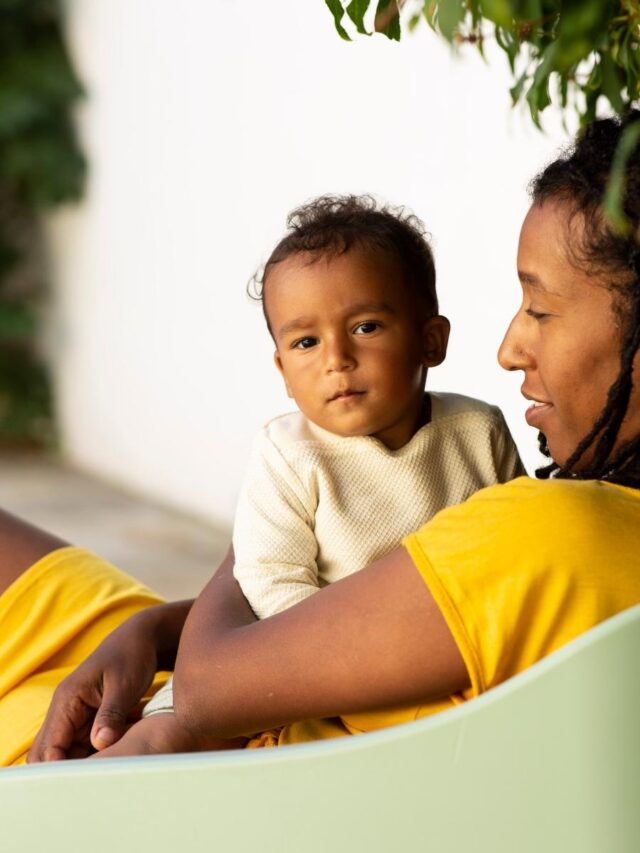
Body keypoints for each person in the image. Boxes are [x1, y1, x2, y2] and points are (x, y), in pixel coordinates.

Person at [2, 112, 640, 766]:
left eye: (540, 309)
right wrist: (153, 628)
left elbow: (210, 689)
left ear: (430, 339)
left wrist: (221, 582)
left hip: (199, 730)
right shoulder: (580, 530)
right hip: (194, 660)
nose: (509, 349)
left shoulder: (554, 530)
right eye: (305, 341)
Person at [137, 194, 523, 739]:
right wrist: (338, 668)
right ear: (282, 370)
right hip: (296, 664)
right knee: (168, 732)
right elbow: (270, 579)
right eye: (306, 342)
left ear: (430, 341)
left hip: (438, 659)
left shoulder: (477, 431)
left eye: (365, 327)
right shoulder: (288, 453)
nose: (336, 359)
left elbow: (513, 549)